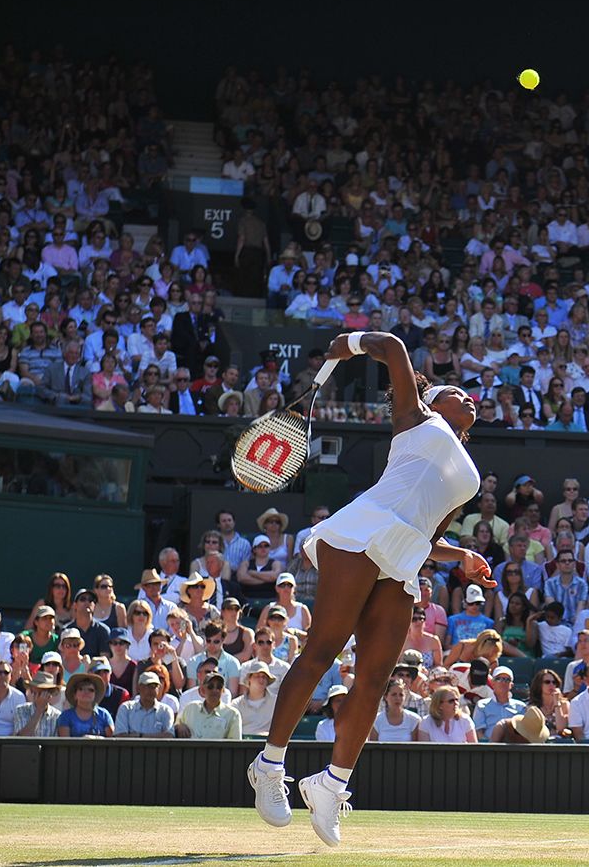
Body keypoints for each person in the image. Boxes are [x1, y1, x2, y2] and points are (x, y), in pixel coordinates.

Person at [250, 330, 488, 847]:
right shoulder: (416, 419)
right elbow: (395, 348)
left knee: (376, 677)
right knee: (323, 651)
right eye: (453, 390)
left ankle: (330, 784)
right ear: (429, 400)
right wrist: (350, 344)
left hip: (403, 554)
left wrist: (462, 555)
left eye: (470, 396)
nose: (467, 395)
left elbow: (429, 536)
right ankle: (269, 765)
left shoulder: (468, 474)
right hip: (364, 532)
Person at [177, 671, 242, 740]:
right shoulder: (190, 708)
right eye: (210, 687)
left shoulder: (233, 714)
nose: (215, 690)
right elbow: (175, 725)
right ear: (203, 690)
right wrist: (179, 726)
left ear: (223, 691)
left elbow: (235, 745)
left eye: (219, 687)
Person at [115, 670, 176, 738]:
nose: (151, 690)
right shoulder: (126, 708)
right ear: (138, 688)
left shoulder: (165, 710)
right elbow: (120, 736)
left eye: (154, 686)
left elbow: (169, 735)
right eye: (148, 686)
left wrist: (140, 736)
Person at [56, 672, 116, 738]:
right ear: (75, 695)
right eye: (81, 689)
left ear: (95, 695)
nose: (86, 692)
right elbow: (65, 742)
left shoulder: (104, 714)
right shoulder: (65, 716)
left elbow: (112, 739)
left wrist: (96, 738)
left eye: (91, 690)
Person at [12, 672, 63, 737]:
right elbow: (22, 738)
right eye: (35, 692)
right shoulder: (21, 710)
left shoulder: (57, 716)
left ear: (49, 695)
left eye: (41, 693)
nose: (37, 696)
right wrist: (39, 710)